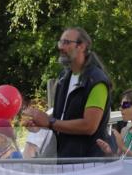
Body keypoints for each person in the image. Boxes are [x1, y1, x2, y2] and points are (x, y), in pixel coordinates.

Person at [22, 26, 111, 158]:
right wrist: (41, 124)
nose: (61, 47)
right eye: (60, 42)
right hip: (64, 159)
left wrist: (50, 122)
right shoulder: (64, 78)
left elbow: (89, 126)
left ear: (82, 46)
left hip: (88, 162)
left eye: (66, 42)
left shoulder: (96, 81)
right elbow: (62, 120)